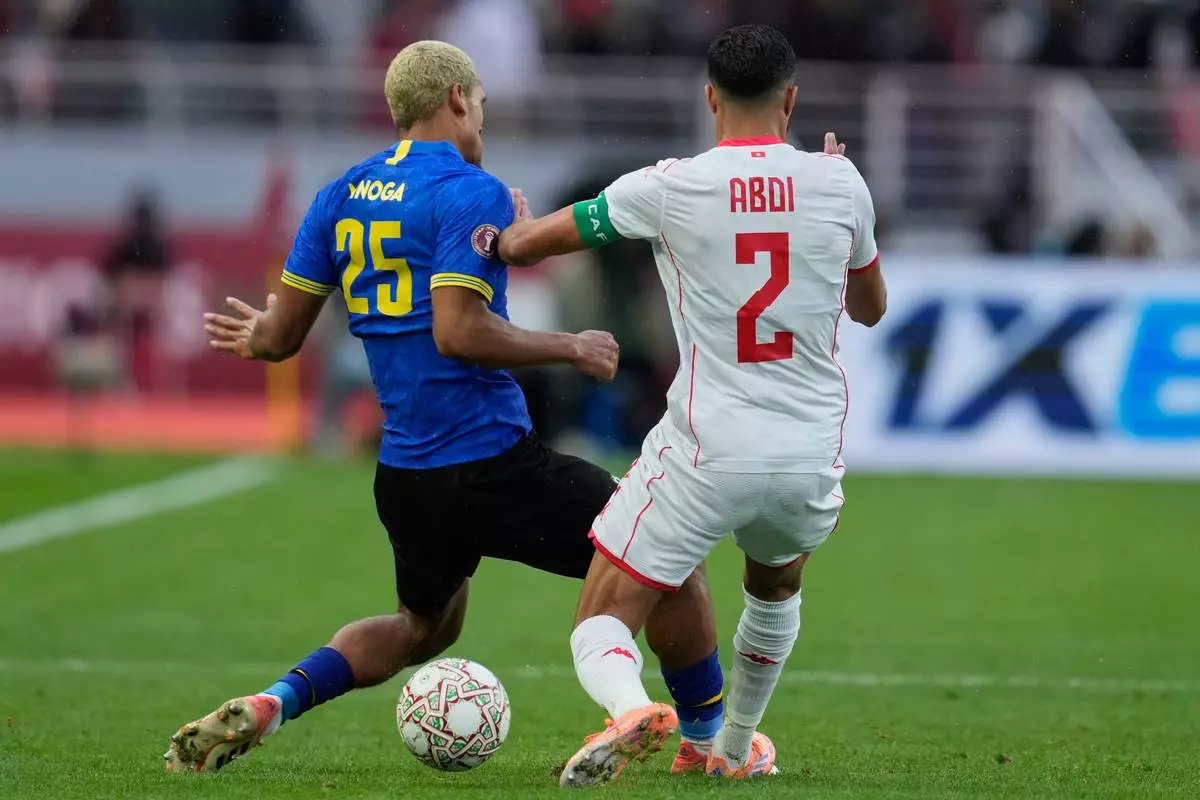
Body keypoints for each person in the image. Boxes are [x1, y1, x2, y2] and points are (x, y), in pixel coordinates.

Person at [163, 41, 725, 774]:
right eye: (482, 100)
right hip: (493, 461)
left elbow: (280, 339)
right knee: (669, 561)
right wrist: (571, 346)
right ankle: (701, 743)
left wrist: (256, 333)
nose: (484, 116)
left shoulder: (339, 194)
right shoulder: (468, 187)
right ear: (457, 98)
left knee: (424, 627)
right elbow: (457, 331)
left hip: (407, 475)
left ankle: (276, 701)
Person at [497, 24, 888, 785]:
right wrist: (835, 201)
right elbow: (870, 309)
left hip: (710, 445)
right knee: (773, 587)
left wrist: (509, 231)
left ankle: (631, 708)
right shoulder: (842, 182)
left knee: (603, 616)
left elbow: (533, 245)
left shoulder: (667, 185)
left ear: (710, 98)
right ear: (793, 99)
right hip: (809, 450)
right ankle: (734, 746)